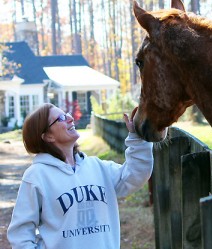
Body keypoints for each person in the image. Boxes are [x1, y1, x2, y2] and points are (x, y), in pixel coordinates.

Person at [7, 103, 153, 249]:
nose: (70, 118)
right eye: (61, 118)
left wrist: (138, 139)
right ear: (48, 136)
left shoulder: (97, 167)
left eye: (67, 114)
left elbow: (134, 176)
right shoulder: (36, 176)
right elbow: (20, 234)